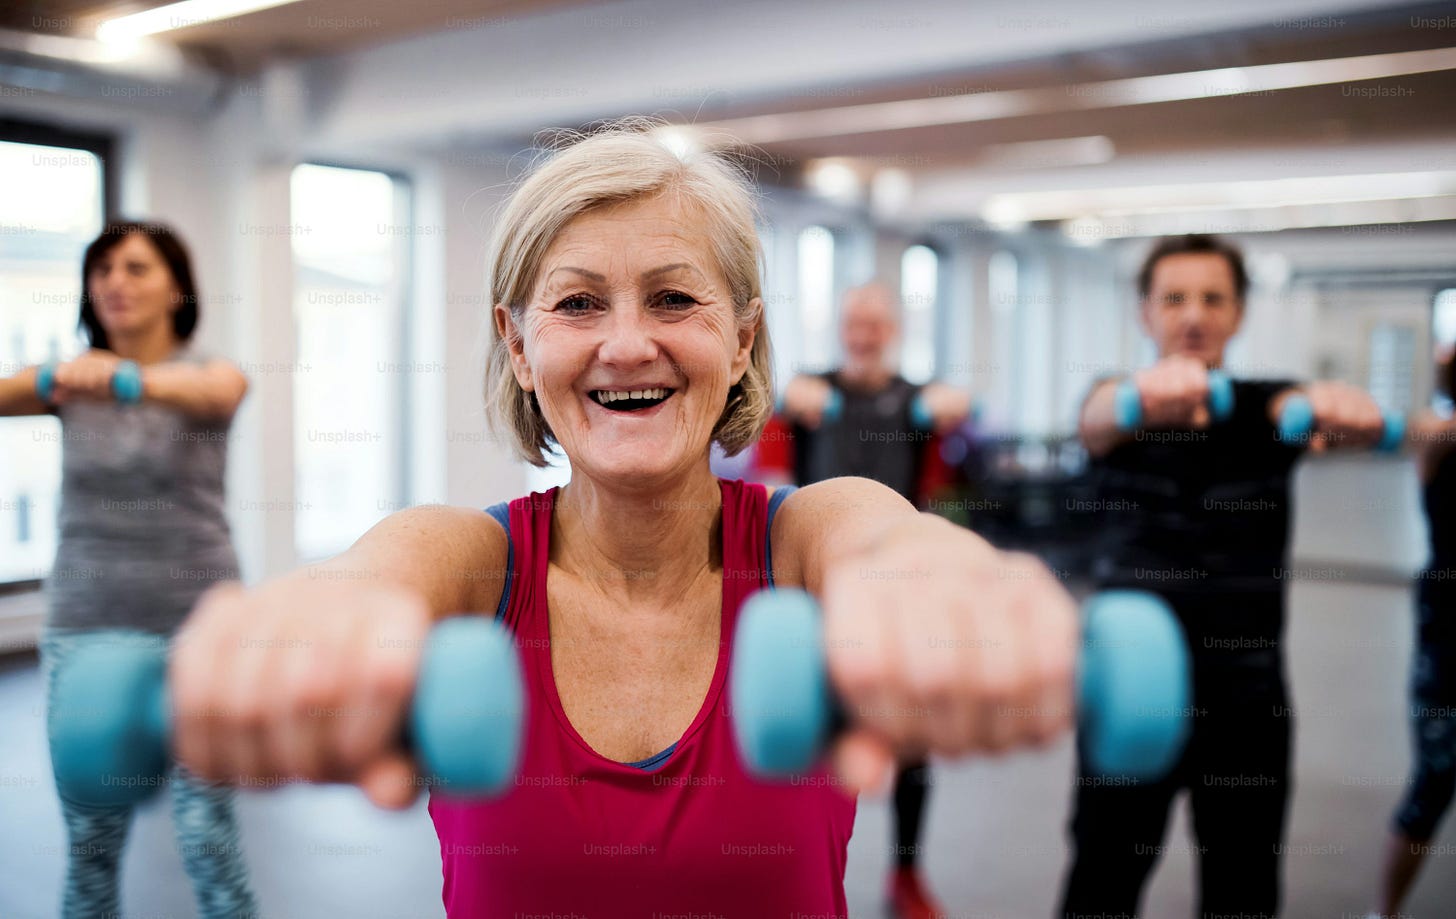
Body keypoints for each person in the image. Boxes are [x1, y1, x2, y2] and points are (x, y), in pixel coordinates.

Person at [156, 127, 1078, 919]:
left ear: (743, 337)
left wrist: (943, 579)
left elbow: (886, 537)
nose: (628, 343)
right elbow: (375, 576)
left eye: (674, 298)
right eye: (578, 302)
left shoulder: (800, 549)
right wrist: (321, 620)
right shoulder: (470, 562)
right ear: (518, 344)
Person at [1060, 233, 1389, 919]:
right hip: (1132, 690)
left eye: (1213, 298)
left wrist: (1337, 407)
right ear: (1144, 313)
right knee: (1101, 883)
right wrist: (1141, 397)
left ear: (1238, 314)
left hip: (1248, 699)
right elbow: (1095, 422)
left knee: (1242, 889)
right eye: (1174, 297)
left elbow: (1302, 408)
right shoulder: (1112, 399)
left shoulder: (1266, 404)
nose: (1193, 314)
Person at [0, 221, 256, 918]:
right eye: (103, 268)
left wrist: (120, 377)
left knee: (209, 836)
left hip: (200, 626)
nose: (115, 280)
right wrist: (57, 376)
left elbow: (219, 396)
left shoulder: (210, 373)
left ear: (177, 288)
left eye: (137, 267)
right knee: (91, 844)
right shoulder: (68, 382)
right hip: (87, 625)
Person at [754, 281, 970, 919]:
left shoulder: (916, 399)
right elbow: (755, 412)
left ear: (892, 330)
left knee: (909, 740)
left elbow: (959, 408)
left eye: (875, 323)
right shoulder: (809, 392)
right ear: (842, 328)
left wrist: (951, 404)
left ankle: (905, 873)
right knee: (810, 732)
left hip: (898, 582)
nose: (863, 332)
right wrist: (784, 397)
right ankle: (793, 871)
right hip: (816, 583)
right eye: (854, 322)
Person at [1370, 351, 1456, 917]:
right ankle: (1386, 911)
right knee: (1433, 782)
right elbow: (1412, 433)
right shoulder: (1440, 435)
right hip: (1448, 632)